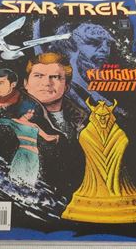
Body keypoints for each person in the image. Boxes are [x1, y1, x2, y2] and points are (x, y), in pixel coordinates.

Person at [20, 52, 87, 197]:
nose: (46, 83)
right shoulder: (15, 116)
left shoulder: (83, 121)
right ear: (25, 83)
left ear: (66, 86)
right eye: (38, 76)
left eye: (55, 77)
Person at [0, 100, 59, 187]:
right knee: (15, 180)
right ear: (24, 110)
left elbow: (47, 137)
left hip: (34, 156)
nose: (31, 115)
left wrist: (56, 136)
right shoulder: (14, 122)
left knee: (29, 183)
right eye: (29, 112)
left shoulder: (34, 125)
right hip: (23, 154)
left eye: (32, 113)